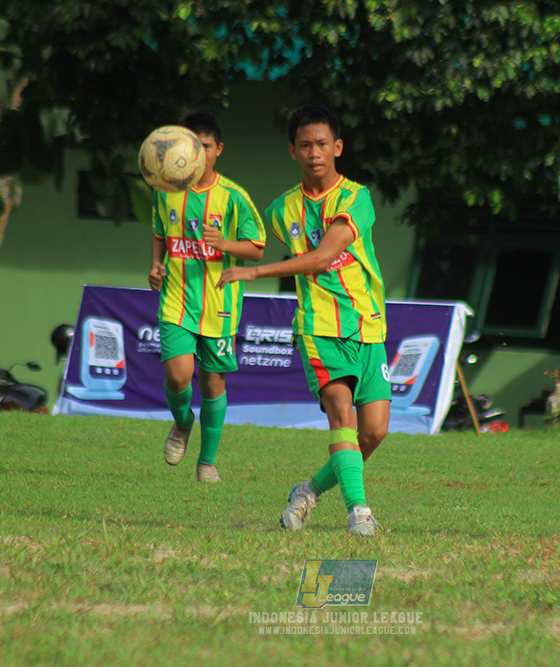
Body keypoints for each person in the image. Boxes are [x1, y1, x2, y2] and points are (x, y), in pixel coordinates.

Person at [217, 105, 390, 537]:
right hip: (318, 328)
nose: (315, 153)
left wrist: (255, 273)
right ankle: (359, 512)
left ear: (338, 148)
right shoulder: (281, 210)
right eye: (305, 145)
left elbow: (324, 256)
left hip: (367, 325)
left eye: (322, 144)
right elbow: (251, 240)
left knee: (373, 433)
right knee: (341, 413)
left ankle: (308, 492)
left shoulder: (356, 198)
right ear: (293, 151)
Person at [148, 110, 266, 483]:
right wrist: (156, 265)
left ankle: (207, 461)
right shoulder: (166, 189)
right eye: (192, 146)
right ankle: (183, 421)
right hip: (177, 299)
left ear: (219, 150)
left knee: (213, 382)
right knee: (178, 376)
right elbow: (159, 233)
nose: (199, 153)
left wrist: (225, 244)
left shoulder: (234, 197)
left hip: (220, 305)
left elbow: (257, 248)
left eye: (206, 146)